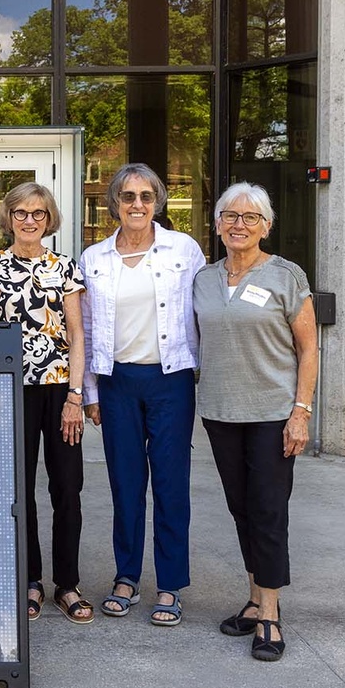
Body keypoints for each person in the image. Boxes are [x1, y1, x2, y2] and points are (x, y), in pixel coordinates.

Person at [78, 163, 206, 627]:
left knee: (171, 485)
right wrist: (90, 391)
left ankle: (170, 584)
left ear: (159, 201)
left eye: (146, 196)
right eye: (128, 196)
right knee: (125, 485)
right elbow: (87, 331)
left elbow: (204, 313)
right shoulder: (94, 258)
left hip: (170, 381)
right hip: (117, 384)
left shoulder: (184, 250)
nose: (137, 204)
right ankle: (126, 576)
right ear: (113, 203)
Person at [193, 181, 317, 662]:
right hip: (222, 412)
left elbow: (308, 348)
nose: (239, 224)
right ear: (218, 222)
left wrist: (300, 412)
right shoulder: (204, 279)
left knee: (268, 510)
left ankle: (269, 613)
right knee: (241, 508)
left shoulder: (286, 276)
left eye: (250, 218)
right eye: (230, 216)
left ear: (266, 225)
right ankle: (253, 596)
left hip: (271, 414)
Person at [0, 183, 91, 624]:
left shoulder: (65, 268)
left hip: (59, 391)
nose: (30, 220)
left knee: (66, 488)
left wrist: (76, 395)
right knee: (18, 490)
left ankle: (67, 584)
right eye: (21, 213)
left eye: (38, 213)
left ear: (49, 218)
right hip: (10, 390)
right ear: (9, 217)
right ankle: (31, 580)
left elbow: (76, 336)